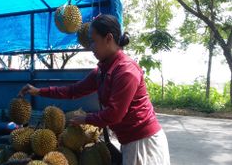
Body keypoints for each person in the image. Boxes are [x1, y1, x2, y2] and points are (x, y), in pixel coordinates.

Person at [18, 15, 170, 165]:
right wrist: (39, 91)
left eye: (93, 41)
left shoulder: (126, 71)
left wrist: (85, 119)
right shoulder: (102, 70)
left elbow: (114, 114)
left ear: (108, 38)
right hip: (129, 140)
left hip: (143, 142)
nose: (90, 47)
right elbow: (74, 90)